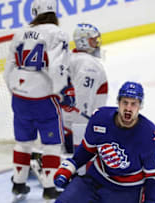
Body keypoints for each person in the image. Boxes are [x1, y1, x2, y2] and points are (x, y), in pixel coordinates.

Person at [53, 81, 155, 203]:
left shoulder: (150, 137)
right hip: (95, 180)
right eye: (125, 102)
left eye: (133, 104)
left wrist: (150, 201)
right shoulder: (100, 119)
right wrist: (69, 167)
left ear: (140, 106)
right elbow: (87, 150)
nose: (128, 108)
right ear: (118, 102)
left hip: (126, 191)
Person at [3, 0, 73, 201]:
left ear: (35, 12)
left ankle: (18, 183)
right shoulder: (56, 33)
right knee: (51, 145)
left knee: (23, 142)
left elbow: (7, 70)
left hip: (19, 95)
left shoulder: (19, 33)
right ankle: (50, 187)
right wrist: (63, 91)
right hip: (43, 98)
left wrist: (16, 92)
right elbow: (57, 66)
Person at [61, 23, 108, 156]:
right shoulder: (89, 66)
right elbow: (83, 102)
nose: (96, 43)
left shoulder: (69, 57)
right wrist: (81, 143)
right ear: (83, 41)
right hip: (76, 129)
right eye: (92, 40)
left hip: (65, 125)